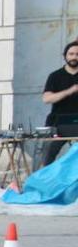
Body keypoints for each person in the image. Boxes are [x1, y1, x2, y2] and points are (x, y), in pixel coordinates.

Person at [41, 39, 78, 167]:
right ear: (65, 56)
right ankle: (42, 180)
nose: (74, 57)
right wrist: (70, 91)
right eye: (71, 54)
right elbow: (46, 99)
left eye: (77, 54)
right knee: (47, 154)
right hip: (58, 123)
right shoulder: (55, 76)